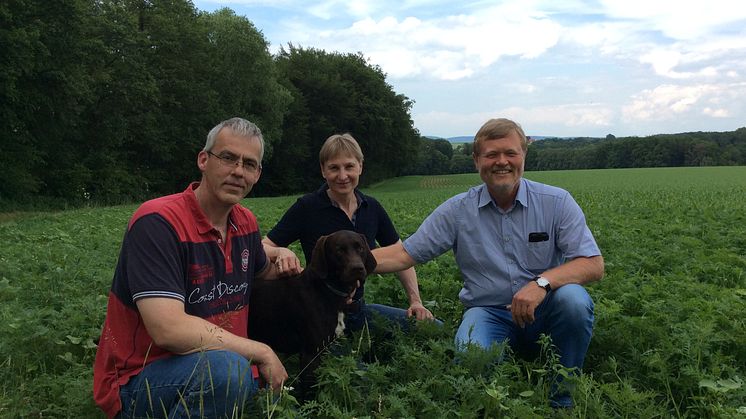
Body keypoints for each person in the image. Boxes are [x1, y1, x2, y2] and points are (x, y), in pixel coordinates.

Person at [372, 118, 604, 408]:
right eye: (491, 155)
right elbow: (403, 254)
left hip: (544, 310)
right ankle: (497, 404)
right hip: (489, 314)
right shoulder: (458, 211)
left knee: (573, 300)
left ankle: (562, 399)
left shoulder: (556, 202)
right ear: (476, 160)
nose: (501, 162)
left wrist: (541, 283)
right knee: (472, 358)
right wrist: (335, 262)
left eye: (510, 153)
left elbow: (592, 263)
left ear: (524, 156)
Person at [93, 117, 295, 418]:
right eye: (228, 158)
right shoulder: (158, 222)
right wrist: (261, 351)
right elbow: (168, 330)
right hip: (140, 379)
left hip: (218, 368)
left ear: (257, 174)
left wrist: (286, 256)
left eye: (249, 164)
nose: (238, 171)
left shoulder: (245, 223)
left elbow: (264, 270)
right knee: (227, 371)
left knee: (240, 371)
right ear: (204, 159)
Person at [262, 133, 436, 333]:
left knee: (431, 329)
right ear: (323, 170)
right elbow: (262, 247)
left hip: (358, 308)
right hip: (320, 314)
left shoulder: (372, 208)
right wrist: (280, 252)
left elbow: (400, 255)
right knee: (353, 366)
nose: (343, 176)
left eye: (349, 166)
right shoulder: (307, 207)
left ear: (360, 166)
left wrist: (416, 301)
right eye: (334, 168)